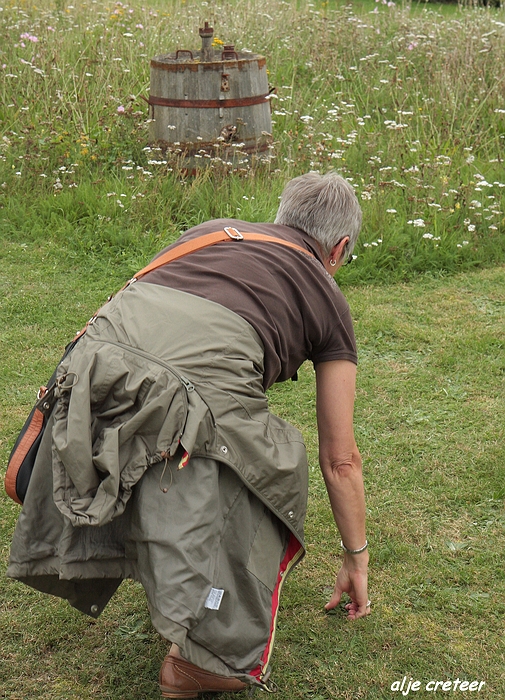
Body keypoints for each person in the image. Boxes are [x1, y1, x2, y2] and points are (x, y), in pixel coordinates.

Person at [7, 171, 369, 699]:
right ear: (337, 249)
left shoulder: (214, 230)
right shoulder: (329, 298)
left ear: (281, 216)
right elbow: (342, 460)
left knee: (180, 429)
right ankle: (203, 662)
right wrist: (355, 555)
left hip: (97, 361)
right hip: (190, 385)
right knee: (274, 464)